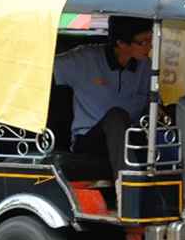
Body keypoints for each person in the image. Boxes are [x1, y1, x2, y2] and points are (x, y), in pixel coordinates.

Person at [53, 16, 153, 178]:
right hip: (90, 140)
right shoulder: (84, 59)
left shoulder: (147, 67)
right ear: (121, 43)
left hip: (130, 138)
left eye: (151, 39)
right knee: (116, 115)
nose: (150, 46)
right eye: (143, 42)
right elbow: (41, 68)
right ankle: (129, 188)